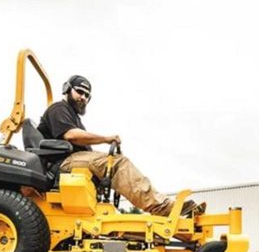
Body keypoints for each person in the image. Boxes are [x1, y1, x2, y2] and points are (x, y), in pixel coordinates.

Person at [37, 75, 204, 217]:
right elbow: (71, 135)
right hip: (63, 163)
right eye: (79, 92)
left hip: (72, 160)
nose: (83, 98)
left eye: (87, 95)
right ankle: (161, 207)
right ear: (67, 89)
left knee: (112, 163)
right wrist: (106, 138)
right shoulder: (58, 109)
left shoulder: (73, 116)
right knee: (118, 163)